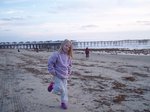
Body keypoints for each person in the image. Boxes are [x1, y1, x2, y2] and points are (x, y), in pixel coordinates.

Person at [47, 39, 73, 109]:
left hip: (65, 75)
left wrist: (69, 72)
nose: (67, 47)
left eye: (69, 46)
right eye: (66, 45)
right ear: (62, 45)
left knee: (65, 90)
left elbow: (70, 65)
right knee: (60, 89)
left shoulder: (68, 56)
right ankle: (52, 86)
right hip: (57, 74)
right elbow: (50, 63)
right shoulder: (56, 54)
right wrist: (52, 71)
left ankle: (63, 102)